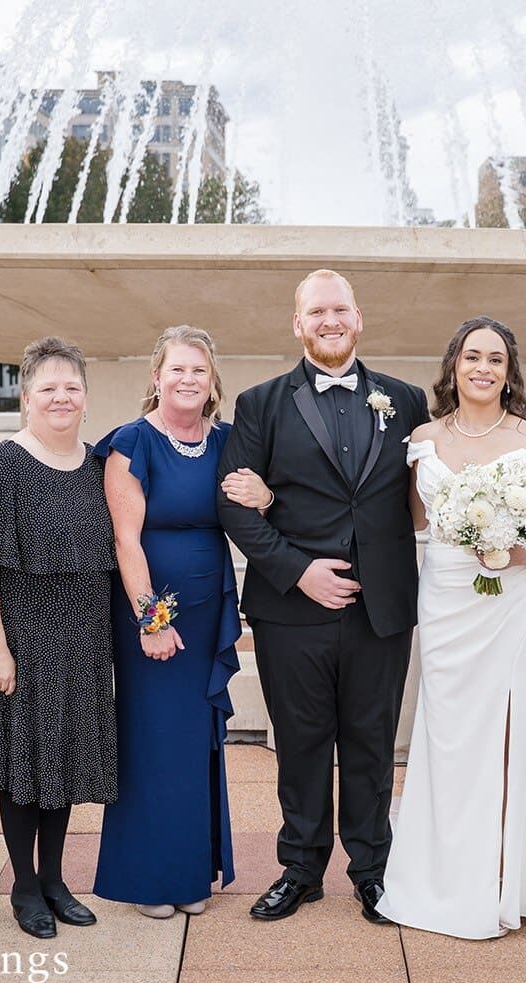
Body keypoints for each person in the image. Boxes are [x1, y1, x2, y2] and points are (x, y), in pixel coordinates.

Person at [374, 315, 526, 941]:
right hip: (447, 605)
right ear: (454, 366)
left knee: (513, 736)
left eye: (495, 359)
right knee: (449, 739)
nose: (482, 368)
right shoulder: (422, 439)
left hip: (515, 604)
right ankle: (447, 878)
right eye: (472, 356)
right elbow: (419, 523)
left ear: (509, 371)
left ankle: (515, 879)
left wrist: (508, 549)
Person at [216, 269, 429, 924]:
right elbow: (235, 508)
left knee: (370, 741)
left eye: (339, 309)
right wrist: (298, 570)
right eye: (317, 312)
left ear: (357, 319)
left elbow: (425, 494)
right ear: (298, 323)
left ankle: (371, 870)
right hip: (292, 609)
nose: (329, 321)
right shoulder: (260, 404)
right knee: (301, 741)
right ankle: (300, 869)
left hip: (380, 607)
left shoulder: (407, 400)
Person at [0, 337, 115, 940]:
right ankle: (24, 886)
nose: (60, 397)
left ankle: (55, 880)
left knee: (66, 765)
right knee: (26, 769)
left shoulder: (97, 465)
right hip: (23, 644)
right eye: (47, 387)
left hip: (82, 641)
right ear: (26, 397)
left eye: (70, 387)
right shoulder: (3, 464)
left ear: (85, 397)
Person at [93, 326, 241, 919]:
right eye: (177, 370)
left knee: (195, 741)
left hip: (209, 615)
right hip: (153, 611)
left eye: (198, 372)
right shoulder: (133, 442)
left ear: (212, 383)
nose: (187, 380)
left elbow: (254, 503)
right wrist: (151, 620)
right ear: (156, 377)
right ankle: (149, 878)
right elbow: (126, 539)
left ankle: (191, 872)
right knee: (152, 739)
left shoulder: (227, 441)